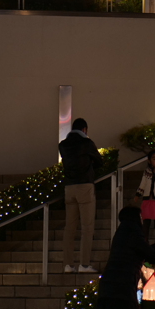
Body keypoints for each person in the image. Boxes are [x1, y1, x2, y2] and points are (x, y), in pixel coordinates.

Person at [59, 117, 103, 274]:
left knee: (69, 228)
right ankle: (84, 264)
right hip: (85, 186)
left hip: (69, 188)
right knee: (87, 227)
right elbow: (99, 161)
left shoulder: (63, 145)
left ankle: (67, 264)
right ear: (84, 129)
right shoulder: (87, 143)